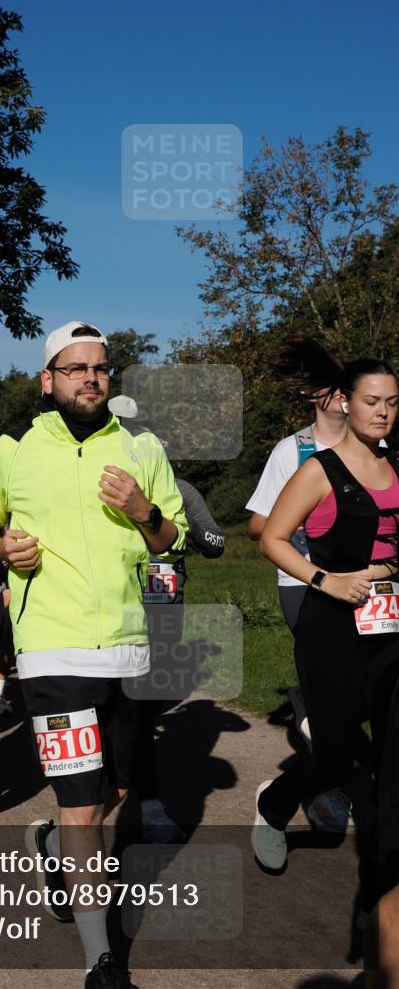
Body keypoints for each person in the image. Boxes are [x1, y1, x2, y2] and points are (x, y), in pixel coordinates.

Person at [0, 322, 188, 987]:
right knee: (84, 806)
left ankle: (55, 848)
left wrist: (145, 510)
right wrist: (2, 548)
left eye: (100, 368)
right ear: (48, 380)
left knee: (115, 789)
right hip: (52, 653)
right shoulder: (16, 449)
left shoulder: (142, 450)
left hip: (125, 647)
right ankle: (102, 959)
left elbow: (168, 541)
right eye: (75, 368)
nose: (90, 378)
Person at [252, 359, 399, 873]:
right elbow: (269, 538)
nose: (382, 412)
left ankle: (384, 864)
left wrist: (386, 568)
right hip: (331, 626)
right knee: (336, 754)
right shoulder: (319, 469)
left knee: (390, 745)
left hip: (390, 623)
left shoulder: (398, 464)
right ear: (346, 403)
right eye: (371, 401)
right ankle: (274, 804)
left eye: (391, 402)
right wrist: (325, 579)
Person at [246, 337, 355, 832]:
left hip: (362, 583)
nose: (340, 398)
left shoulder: (375, 449)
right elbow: (258, 526)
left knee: (360, 686)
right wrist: (306, 522)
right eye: (331, 390)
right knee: (334, 685)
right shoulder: (292, 451)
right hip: (302, 581)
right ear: (318, 397)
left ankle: (311, 706)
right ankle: (327, 789)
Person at [108, 395, 226, 841]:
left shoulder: (180, 488)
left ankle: (149, 804)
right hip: (115, 620)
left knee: (135, 719)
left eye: (143, 433)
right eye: (127, 432)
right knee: (121, 719)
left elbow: (216, 544)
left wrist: (171, 523)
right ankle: (122, 802)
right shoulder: (101, 488)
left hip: (163, 621)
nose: (137, 440)